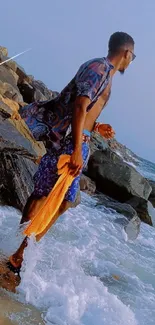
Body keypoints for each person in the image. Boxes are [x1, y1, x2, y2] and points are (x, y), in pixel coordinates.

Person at [8, 31, 135, 274]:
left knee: (63, 200)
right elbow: (78, 105)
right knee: (45, 194)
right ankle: (19, 252)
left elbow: (83, 107)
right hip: (69, 142)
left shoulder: (105, 73)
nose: (131, 61)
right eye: (133, 56)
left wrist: (96, 125)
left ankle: (22, 248)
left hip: (79, 140)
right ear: (127, 52)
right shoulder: (99, 68)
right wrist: (76, 149)